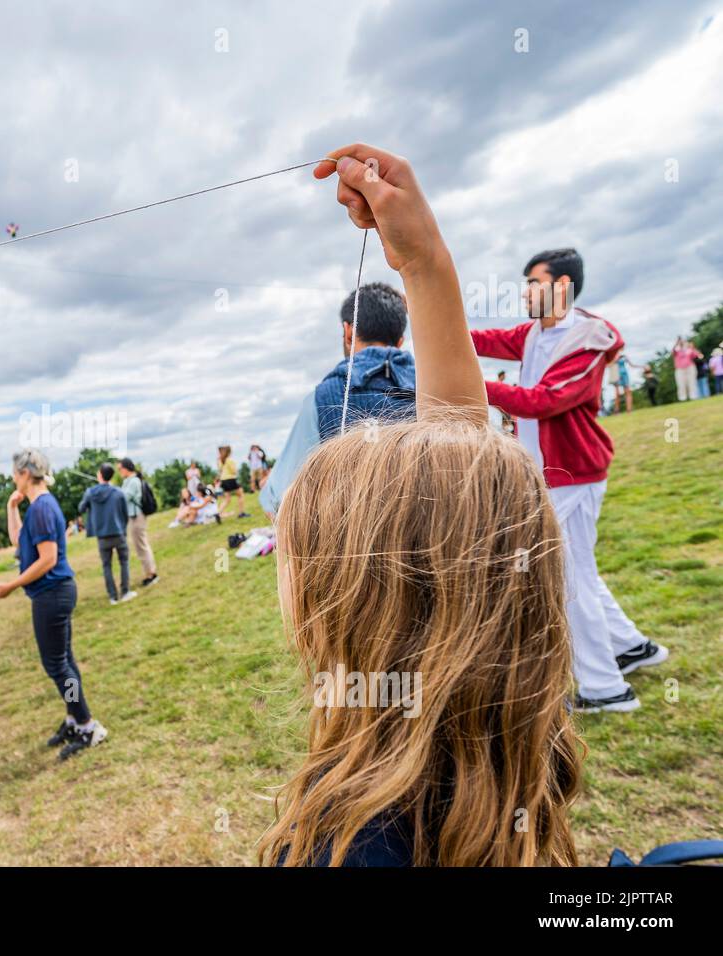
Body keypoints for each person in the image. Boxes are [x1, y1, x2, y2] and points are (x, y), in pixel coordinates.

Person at [261, 142, 581, 867]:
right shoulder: (515, 741)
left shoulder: (347, 843)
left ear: (352, 606)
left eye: (302, 550)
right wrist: (424, 261)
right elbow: (467, 500)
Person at [471, 246, 668, 713]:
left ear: (561, 286)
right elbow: (490, 339)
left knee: (565, 577)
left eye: (533, 283)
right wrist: (438, 326)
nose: (525, 293)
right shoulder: (535, 332)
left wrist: (468, 385)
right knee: (579, 569)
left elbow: (544, 400)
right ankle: (632, 648)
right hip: (554, 474)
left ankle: (605, 688)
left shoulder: (584, 339)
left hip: (573, 473)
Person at [259, 282, 417, 518]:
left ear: (348, 331)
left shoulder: (321, 398)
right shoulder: (440, 386)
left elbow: (279, 499)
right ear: (401, 341)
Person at [0, 449, 106, 760]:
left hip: (52, 593)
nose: (13, 479)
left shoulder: (42, 507)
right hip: (54, 592)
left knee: (57, 665)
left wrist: (11, 586)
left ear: (25, 474)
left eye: (14, 473)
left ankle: (87, 725)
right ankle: (74, 719)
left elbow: (48, 559)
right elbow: (19, 541)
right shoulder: (39, 505)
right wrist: (11, 507)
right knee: (64, 660)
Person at [78, 462, 135, 605]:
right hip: (118, 533)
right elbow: (124, 514)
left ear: (100, 475)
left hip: (102, 536)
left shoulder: (90, 492)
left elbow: (81, 508)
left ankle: (113, 597)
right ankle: (125, 591)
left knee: (107, 566)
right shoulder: (118, 492)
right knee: (124, 562)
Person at [118, 457, 158, 587]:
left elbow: (125, 497)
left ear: (126, 468)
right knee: (141, 545)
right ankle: (150, 572)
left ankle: (151, 574)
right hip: (134, 517)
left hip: (137, 517)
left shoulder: (134, 481)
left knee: (141, 545)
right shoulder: (129, 481)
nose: (119, 471)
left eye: (120, 469)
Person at [214, 446, 249, 517]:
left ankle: (218, 513)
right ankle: (242, 513)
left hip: (223, 480)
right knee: (240, 495)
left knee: (227, 499)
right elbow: (234, 471)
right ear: (229, 452)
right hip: (231, 479)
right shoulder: (229, 460)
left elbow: (220, 471)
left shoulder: (220, 460)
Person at [672, 337, 701, 401]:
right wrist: (676, 343)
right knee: (681, 384)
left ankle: (693, 396)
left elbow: (697, 355)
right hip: (679, 369)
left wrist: (691, 347)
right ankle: (682, 398)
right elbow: (673, 351)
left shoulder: (689, 349)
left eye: (683, 341)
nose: (682, 342)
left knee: (692, 382)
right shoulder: (676, 350)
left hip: (690, 368)